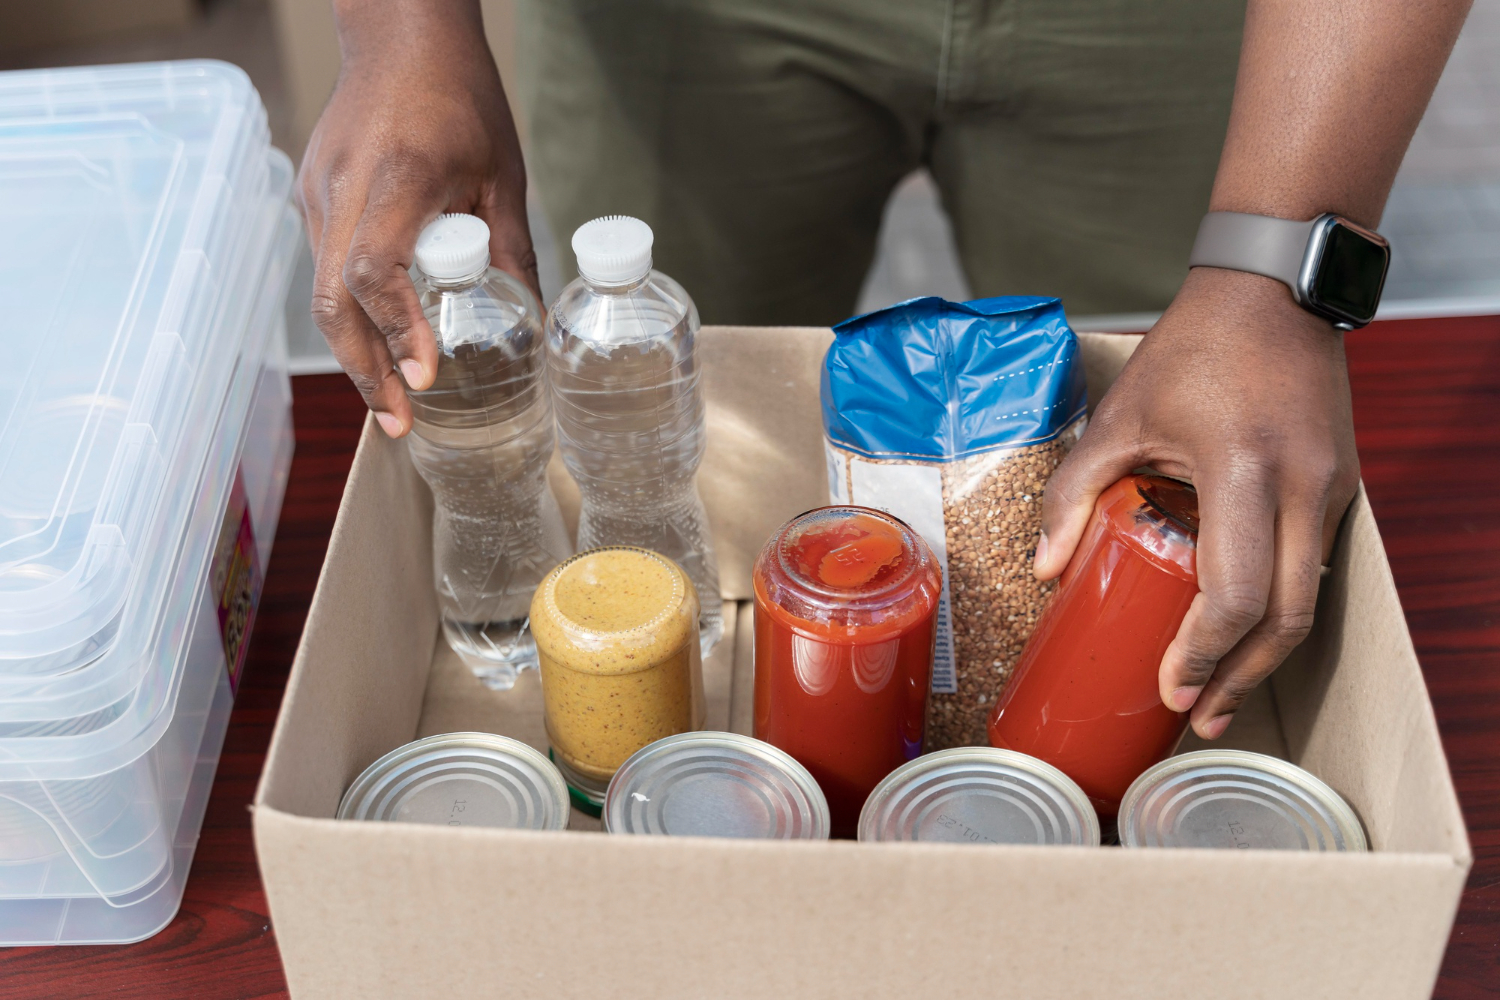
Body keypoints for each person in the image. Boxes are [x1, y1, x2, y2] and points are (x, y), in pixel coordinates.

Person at [297, 0, 1472, 741]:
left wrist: (1278, 274)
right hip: (688, 26)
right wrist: (404, 34)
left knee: (1185, 456)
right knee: (708, 376)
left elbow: (1245, 340)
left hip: (1168, 31)